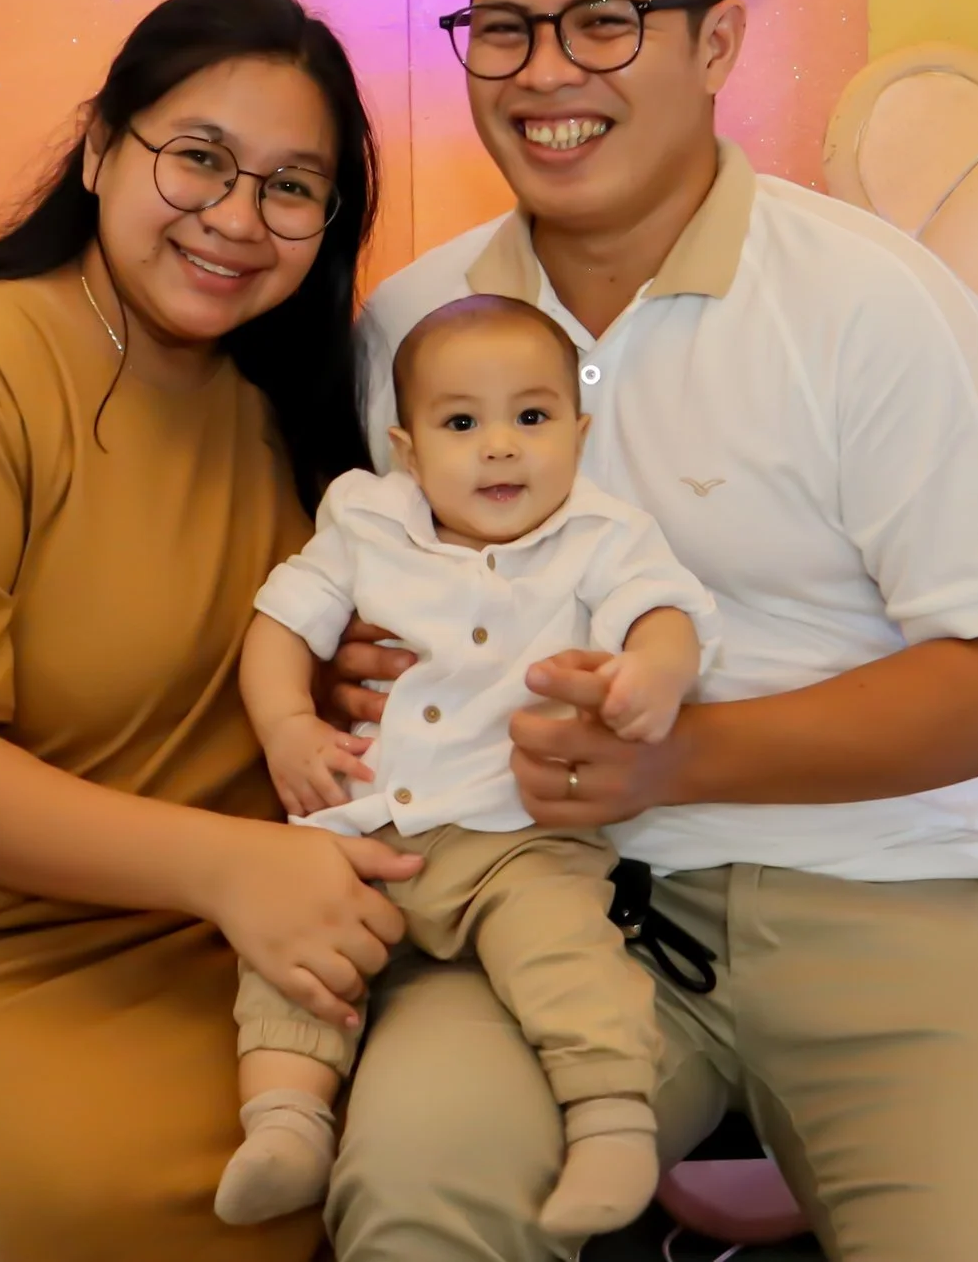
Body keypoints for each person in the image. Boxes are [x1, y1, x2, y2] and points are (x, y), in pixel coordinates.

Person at [324, 0, 978, 1261]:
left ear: (716, 39)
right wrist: (361, 661)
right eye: (504, 29)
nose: (544, 72)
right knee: (416, 1193)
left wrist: (678, 758)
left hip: (885, 895)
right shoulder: (413, 323)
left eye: (603, 21)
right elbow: (390, 596)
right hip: (531, 901)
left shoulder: (871, 300)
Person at [0, 0, 422, 1262]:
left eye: (290, 186)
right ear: (103, 146)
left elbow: (240, 679)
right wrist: (231, 869)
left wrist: (347, 683)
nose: (236, 217)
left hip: (222, 953)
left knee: (434, 1140)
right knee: (144, 1192)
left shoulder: (286, 415)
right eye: (200, 158)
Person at [218, 294, 712, 1239]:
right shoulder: (367, 521)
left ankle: (611, 1122)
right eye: (461, 422)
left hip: (515, 839)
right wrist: (287, 726)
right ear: (408, 449)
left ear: (579, 430)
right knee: (294, 954)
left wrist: (655, 669)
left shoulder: (601, 535)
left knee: (567, 954)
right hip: (367, 824)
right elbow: (282, 623)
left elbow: (664, 612)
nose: (499, 447)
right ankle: (286, 1121)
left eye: (531, 417)